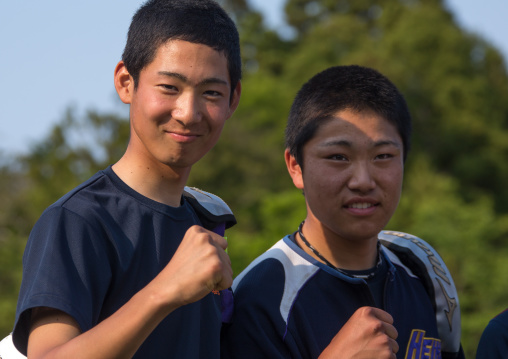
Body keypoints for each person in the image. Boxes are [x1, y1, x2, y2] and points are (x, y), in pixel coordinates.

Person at [9, 0, 241, 358]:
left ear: (233, 100)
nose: (188, 112)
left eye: (211, 93)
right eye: (169, 87)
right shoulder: (78, 220)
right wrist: (164, 291)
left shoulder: (208, 222)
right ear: (126, 82)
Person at [221, 65, 464, 359]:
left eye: (383, 156)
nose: (363, 181)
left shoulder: (422, 271)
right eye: (338, 157)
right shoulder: (259, 298)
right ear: (295, 166)